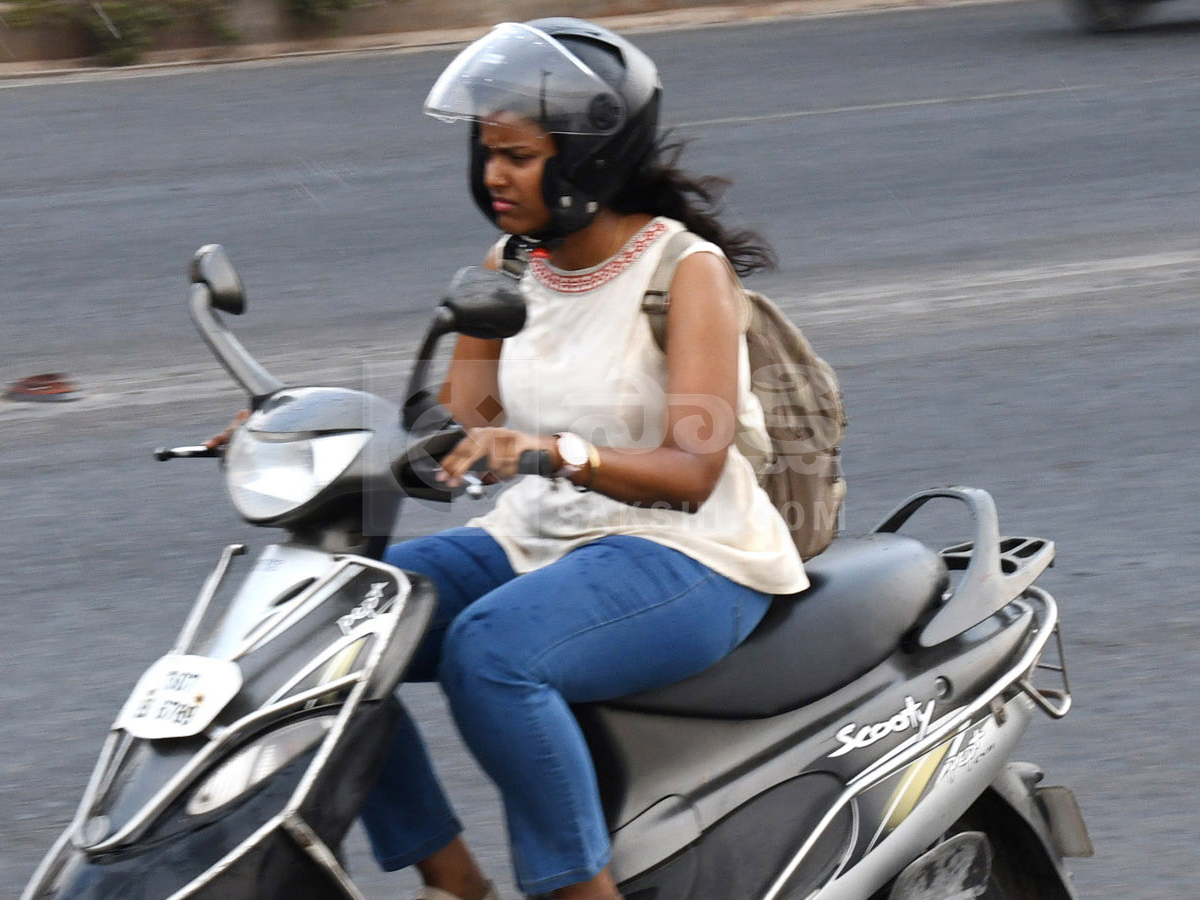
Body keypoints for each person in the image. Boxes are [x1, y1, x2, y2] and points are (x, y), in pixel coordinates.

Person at [213, 17, 809, 900]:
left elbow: (692, 473)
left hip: (691, 555)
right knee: (326, 625)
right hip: (536, 539)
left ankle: (582, 893)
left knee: (491, 652)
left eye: (519, 157)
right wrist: (291, 426)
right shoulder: (511, 263)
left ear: (589, 161)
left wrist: (549, 451)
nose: (494, 175)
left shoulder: (686, 274)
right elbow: (457, 434)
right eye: (487, 152)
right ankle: (454, 882)